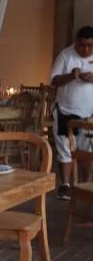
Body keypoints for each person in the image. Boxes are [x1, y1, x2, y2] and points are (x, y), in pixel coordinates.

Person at [50, 25, 93, 200]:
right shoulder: (65, 55)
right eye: (82, 45)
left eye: (90, 46)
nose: (86, 49)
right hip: (65, 111)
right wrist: (71, 75)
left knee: (87, 151)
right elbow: (54, 81)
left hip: (89, 114)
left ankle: (86, 186)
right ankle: (65, 185)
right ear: (76, 42)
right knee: (65, 149)